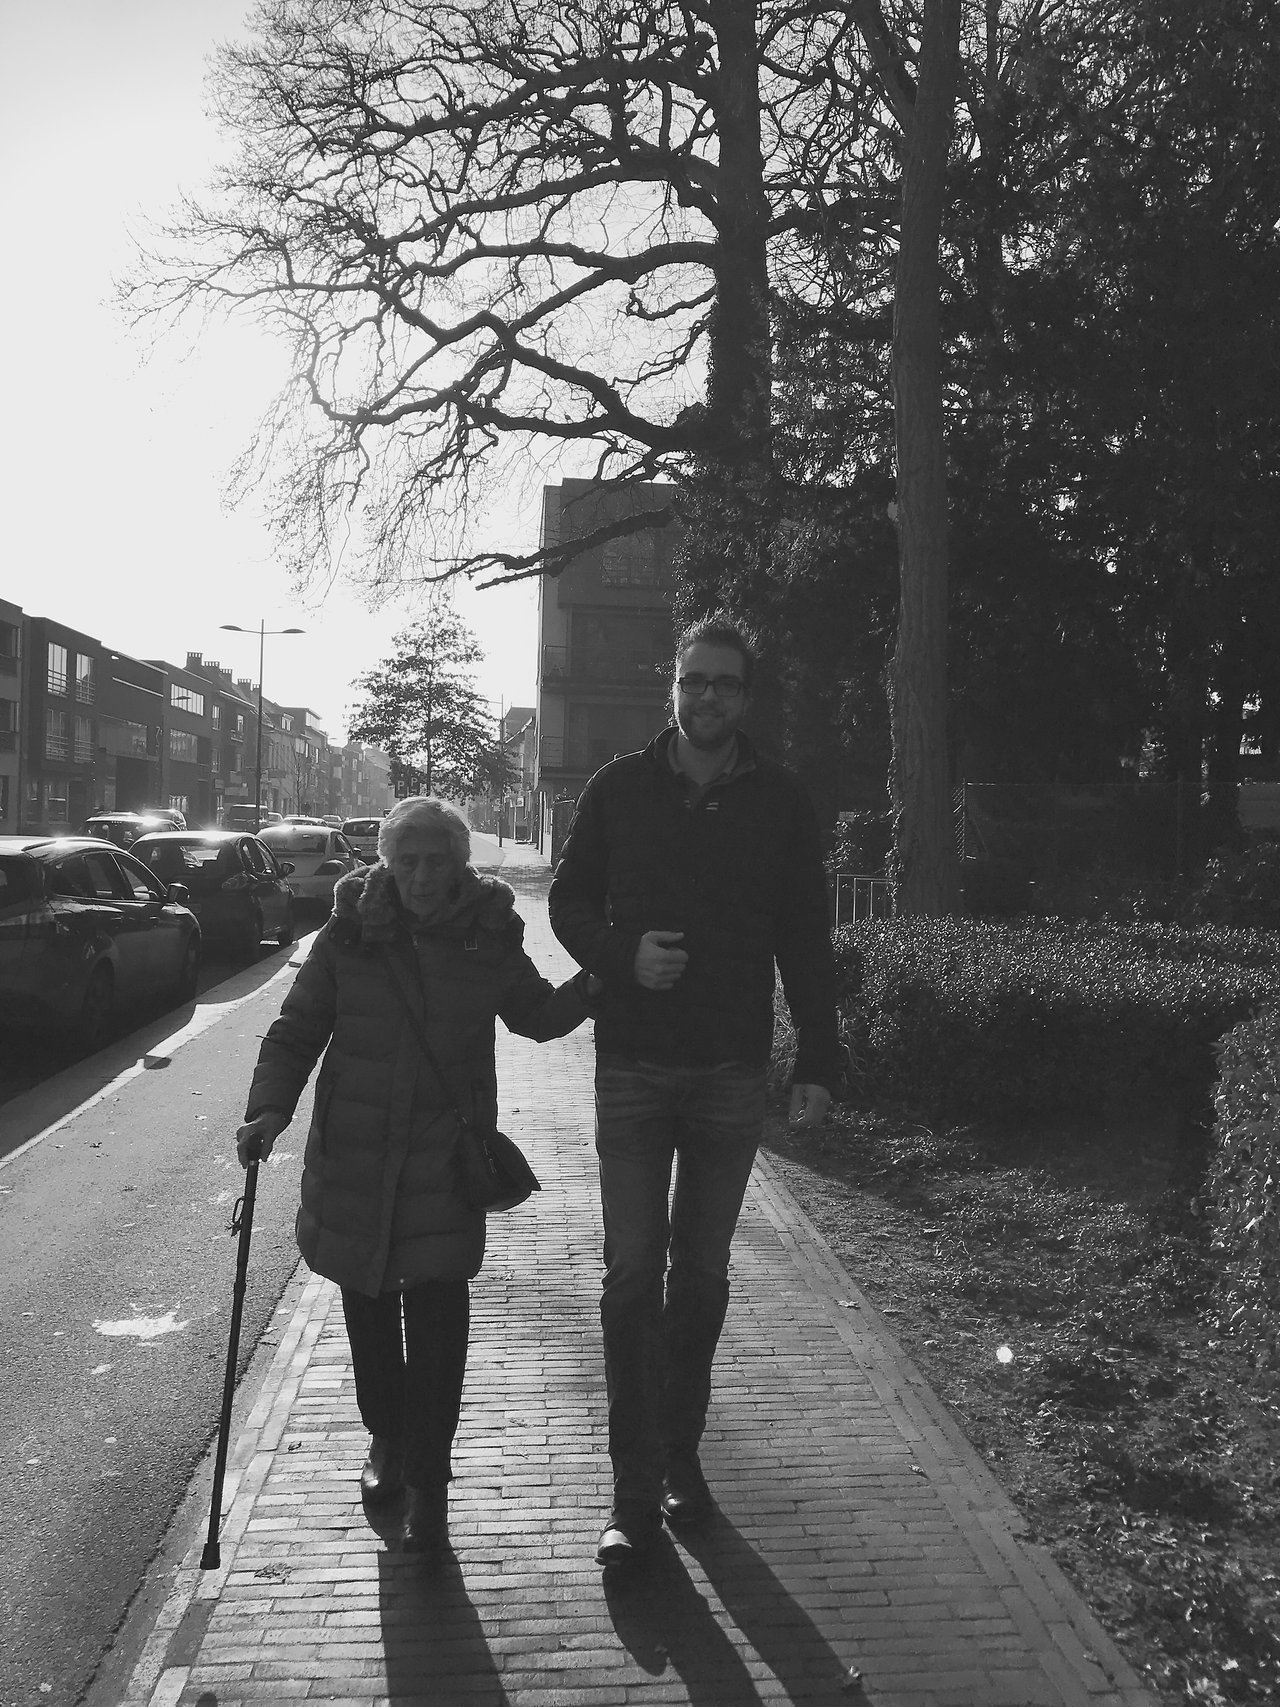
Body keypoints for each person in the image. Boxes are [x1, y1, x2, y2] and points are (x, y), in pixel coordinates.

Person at [548, 612, 841, 1565]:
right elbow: (568, 899)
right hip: (634, 1065)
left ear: (745, 697)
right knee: (632, 1275)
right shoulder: (618, 788)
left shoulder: (781, 802)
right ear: (671, 688)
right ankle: (631, 1491)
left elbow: (806, 935)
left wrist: (819, 1059)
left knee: (702, 1278)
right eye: (694, 680)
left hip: (729, 1071)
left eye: (725, 682)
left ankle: (681, 1456)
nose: (708, 695)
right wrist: (620, 955)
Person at [236, 796, 597, 1565]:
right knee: (368, 1316)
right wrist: (268, 1110)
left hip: (442, 1161)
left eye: (437, 861)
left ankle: (429, 1484)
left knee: (437, 1331)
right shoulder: (349, 931)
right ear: (387, 863)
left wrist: (596, 984)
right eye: (408, 861)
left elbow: (535, 1014)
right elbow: (298, 1028)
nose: (423, 876)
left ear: (460, 864)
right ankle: (387, 1437)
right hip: (356, 1157)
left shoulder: (486, 932)